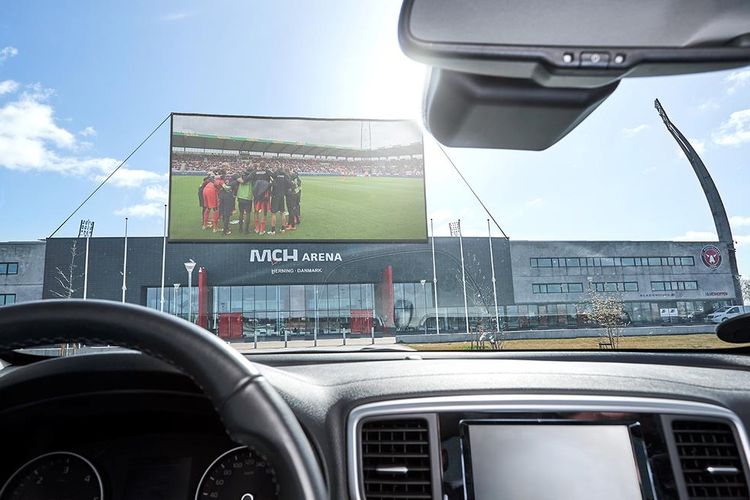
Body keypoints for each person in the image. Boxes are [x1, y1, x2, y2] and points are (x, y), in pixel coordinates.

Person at [251, 162, 272, 234]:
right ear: (265, 165)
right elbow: (275, 176)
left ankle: (257, 228)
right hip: (265, 195)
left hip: (257, 195)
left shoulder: (255, 172)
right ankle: (262, 229)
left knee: (256, 211)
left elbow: (247, 178)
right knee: (264, 212)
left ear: (259, 165)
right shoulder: (267, 172)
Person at [269, 163, 288, 235]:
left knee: (273, 213)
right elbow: (288, 183)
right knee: (282, 212)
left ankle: (273, 231)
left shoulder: (275, 174)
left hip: (275, 195)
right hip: (282, 195)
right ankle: (283, 229)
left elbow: (272, 177)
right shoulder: (284, 174)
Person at [236, 169, 253, 234]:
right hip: (248, 198)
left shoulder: (241, 179)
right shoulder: (251, 179)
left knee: (241, 213)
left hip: (240, 197)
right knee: (248, 213)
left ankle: (240, 229)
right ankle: (246, 230)